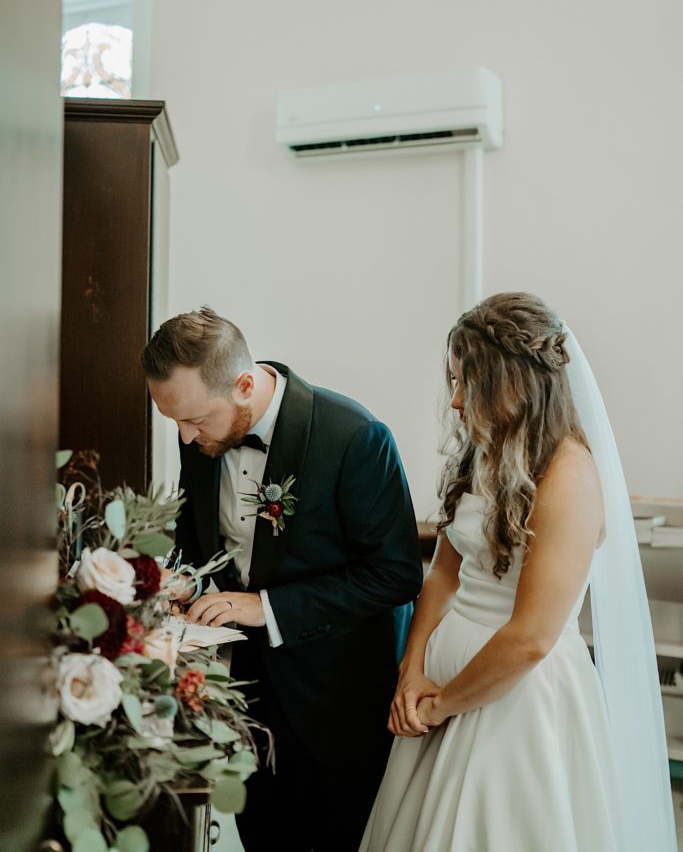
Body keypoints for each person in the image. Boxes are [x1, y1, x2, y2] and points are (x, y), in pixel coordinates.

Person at [361, 292, 675, 852]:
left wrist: (441, 703)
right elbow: (442, 575)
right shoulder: (483, 452)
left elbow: (531, 639)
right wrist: (411, 669)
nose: (455, 401)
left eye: (468, 382)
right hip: (443, 676)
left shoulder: (569, 475)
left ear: (515, 382)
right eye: (454, 382)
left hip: (517, 697)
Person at [140, 307, 422, 852]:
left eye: (195, 419)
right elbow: (199, 539)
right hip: (249, 701)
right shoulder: (199, 432)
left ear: (244, 385)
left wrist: (264, 606)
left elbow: (395, 575)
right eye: (173, 420)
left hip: (336, 703)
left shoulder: (354, 437)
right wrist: (180, 581)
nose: (185, 435)